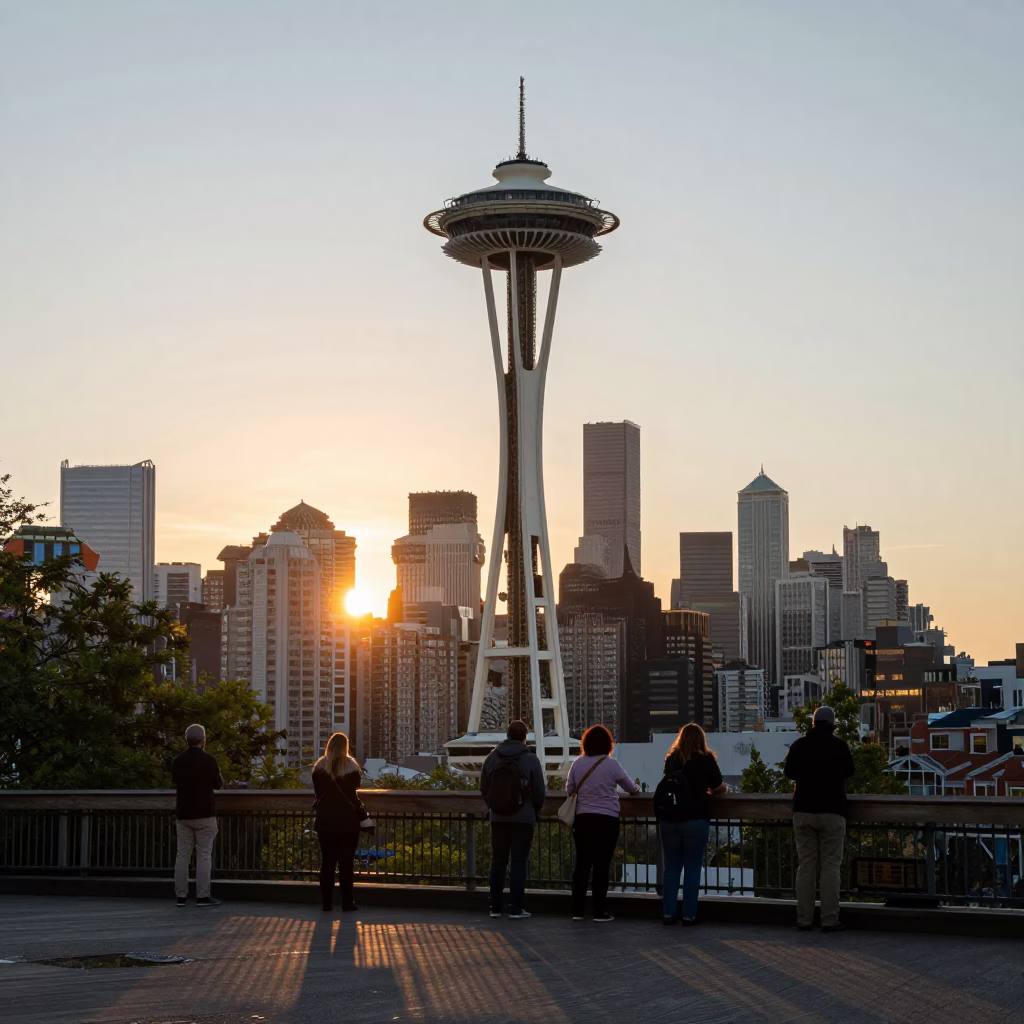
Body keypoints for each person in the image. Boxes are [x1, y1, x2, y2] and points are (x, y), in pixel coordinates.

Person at [783, 705, 856, 932]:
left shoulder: (799, 745)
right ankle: (829, 918)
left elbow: (789, 772)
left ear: (813, 723)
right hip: (832, 811)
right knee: (830, 867)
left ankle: (804, 919)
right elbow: (850, 772)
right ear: (833, 724)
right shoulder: (839, 746)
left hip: (803, 810)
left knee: (806, 866)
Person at [566, 724, 640, 923]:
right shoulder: (611, 764)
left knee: (582, 864)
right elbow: (630, 787)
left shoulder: (577, 764)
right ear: (608, 744)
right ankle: (599, 912)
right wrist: (637, 789)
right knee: (601, 865)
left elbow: (570, 788)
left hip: (582, 819)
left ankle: (577, 911)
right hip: (607, 819)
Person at [657, 723, 729, 926]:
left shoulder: (672, 759)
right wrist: (721, 790)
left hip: (669, 819)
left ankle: (668, 914)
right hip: (696, 819)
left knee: (671, 867)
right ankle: (689, 915)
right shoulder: (706, 760)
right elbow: (717, 786)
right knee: (692, 867)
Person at [480, 720, 546, 920]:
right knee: (518, 862)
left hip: (498, 818)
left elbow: (483, 787)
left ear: (507, 735)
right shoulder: (530, 759)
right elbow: (539, 791)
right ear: (525, 736)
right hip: (523, 819)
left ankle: (495, 907)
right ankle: (516, 908)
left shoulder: (492, 757)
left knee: (498, 862)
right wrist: (533, 810)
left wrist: (495, 806)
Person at [312, 731, 368, 913]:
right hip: (347, 821)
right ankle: (347, 902)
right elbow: (353, 794)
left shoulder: (319, 767)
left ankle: (326, 903)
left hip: (325, 820)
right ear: (346, 746)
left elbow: (318, 793)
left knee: (327, 863)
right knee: (346, 864)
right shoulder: (351, 766)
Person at [171, 723, 224, 907]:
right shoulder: (209, 760)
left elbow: (176, 782)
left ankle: (181, 896)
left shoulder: (177, 761)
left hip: (183, 814)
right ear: (203, 740)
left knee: (182, 855)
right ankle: (202, 896)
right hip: (204, 814)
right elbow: (218, 784)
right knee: (203, 855)